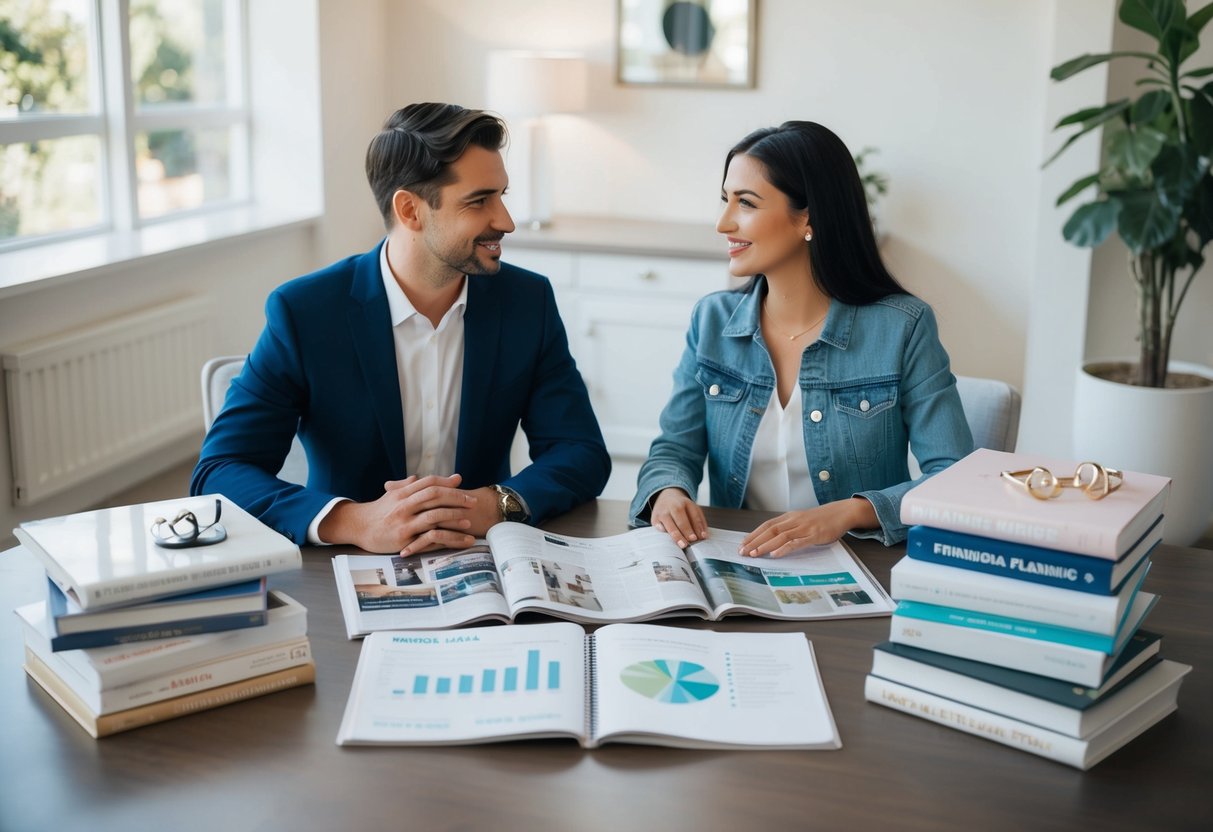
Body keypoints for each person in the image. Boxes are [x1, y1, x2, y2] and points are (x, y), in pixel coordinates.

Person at [192, 103, 610, 555]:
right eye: (479, 201)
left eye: (502, 195)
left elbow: (580, 452)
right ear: (410, 210)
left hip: (485, 558)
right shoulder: (305, 312)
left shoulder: (528, 302)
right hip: (347, 563)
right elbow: (220, 469)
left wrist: (496, 504)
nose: (505, 221)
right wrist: (353, 520)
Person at [630, 121, 972, 553]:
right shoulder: (712, 321)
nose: (723, 223)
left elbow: (954, 478)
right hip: (740, 561)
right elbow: (674, 449)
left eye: (746, 204)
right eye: (725, 201)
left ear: (807, 216)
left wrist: (850, 512)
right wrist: (668, 492)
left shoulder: (903, 327)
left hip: (859, 565)